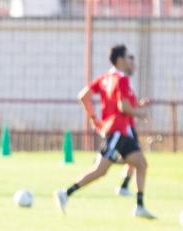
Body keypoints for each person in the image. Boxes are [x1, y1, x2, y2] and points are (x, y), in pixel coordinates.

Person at [55, 44, 156, 219]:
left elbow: (83, 96)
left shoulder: (104, 78)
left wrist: (94, 118)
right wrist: (141, 114)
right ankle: (66, 192)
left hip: (120, 132)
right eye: (126, 57)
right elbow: (122, 106)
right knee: (100, 171)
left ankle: (139, 206)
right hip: (117, 131)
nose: (129, 60)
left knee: (141, 164)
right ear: (120, 60)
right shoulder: (121, 79)